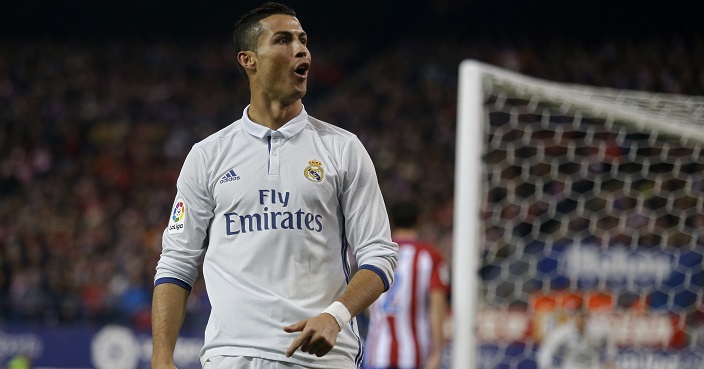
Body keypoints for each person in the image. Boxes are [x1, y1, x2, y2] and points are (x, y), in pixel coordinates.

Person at [150, 3, 399, 369]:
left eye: (303, 40)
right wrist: (161, 358)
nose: (301, 49)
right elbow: (176, 262)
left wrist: (336, 316)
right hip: (231, 356)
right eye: (283, 40)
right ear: (248, 60)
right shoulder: (208, 156)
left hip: (321, 358)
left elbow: (380, 254)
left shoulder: (342, 149)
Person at [364, 201, 450, 369]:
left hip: (376, 353)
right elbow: (437, 304)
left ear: (392, 222)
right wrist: (437, 351)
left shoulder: (376, 254)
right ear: (419, 221)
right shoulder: (429, 256)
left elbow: (366, 303)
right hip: (413, 355)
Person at [536, 307, 616, 369]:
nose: (582, 321)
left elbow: (609, 340)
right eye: (579, 317)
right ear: (574, 317)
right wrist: (547, 366)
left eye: (584, 318)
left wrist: (610, 360)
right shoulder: (563, 332)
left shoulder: (596, 330)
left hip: (592, 366)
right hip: (571, 366)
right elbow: (547, 348)